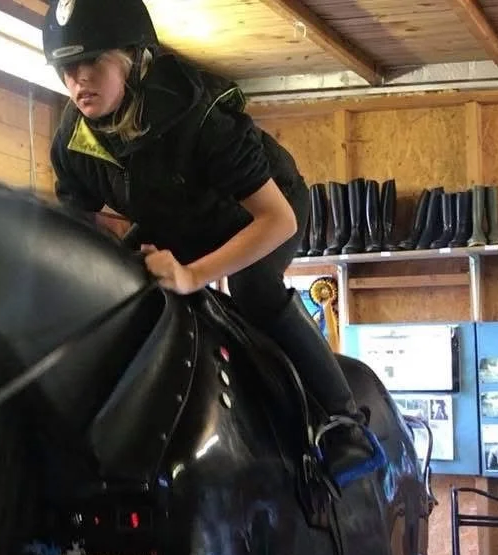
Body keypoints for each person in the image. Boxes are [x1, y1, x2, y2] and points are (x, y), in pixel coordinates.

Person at [42, 0, 379, 489]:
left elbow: (278, 221)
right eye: (66, 69)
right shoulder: (72, 139)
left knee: (254, 292)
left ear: (134, 57)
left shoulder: (198, 116)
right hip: (174, 216)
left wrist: (193, 275)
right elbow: (80, 232)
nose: (78, 82)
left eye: (92, 61)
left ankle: (346, 423)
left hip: (262, 209)